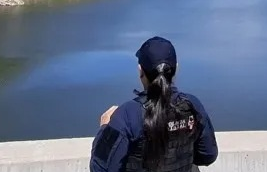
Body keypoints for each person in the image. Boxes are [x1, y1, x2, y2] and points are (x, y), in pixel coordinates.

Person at [90, 37, 218, 172]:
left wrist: (105, 127)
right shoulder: (192, 105)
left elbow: (100, 168)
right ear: (176, 69)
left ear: (140, 71)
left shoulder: (128, 115)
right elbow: (208, 155)